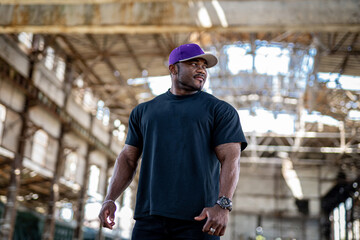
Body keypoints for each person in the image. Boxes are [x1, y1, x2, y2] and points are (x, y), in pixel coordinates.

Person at [98, 43, 247, 239]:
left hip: (199, 221)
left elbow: (231, 159)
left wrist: (223, 205)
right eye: (194, 64)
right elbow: (127, 158)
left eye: (204, 66)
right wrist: (110, 199)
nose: (201, 69)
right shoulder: (144, 112)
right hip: (149, 219)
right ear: (173, 68)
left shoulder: (220, 111)